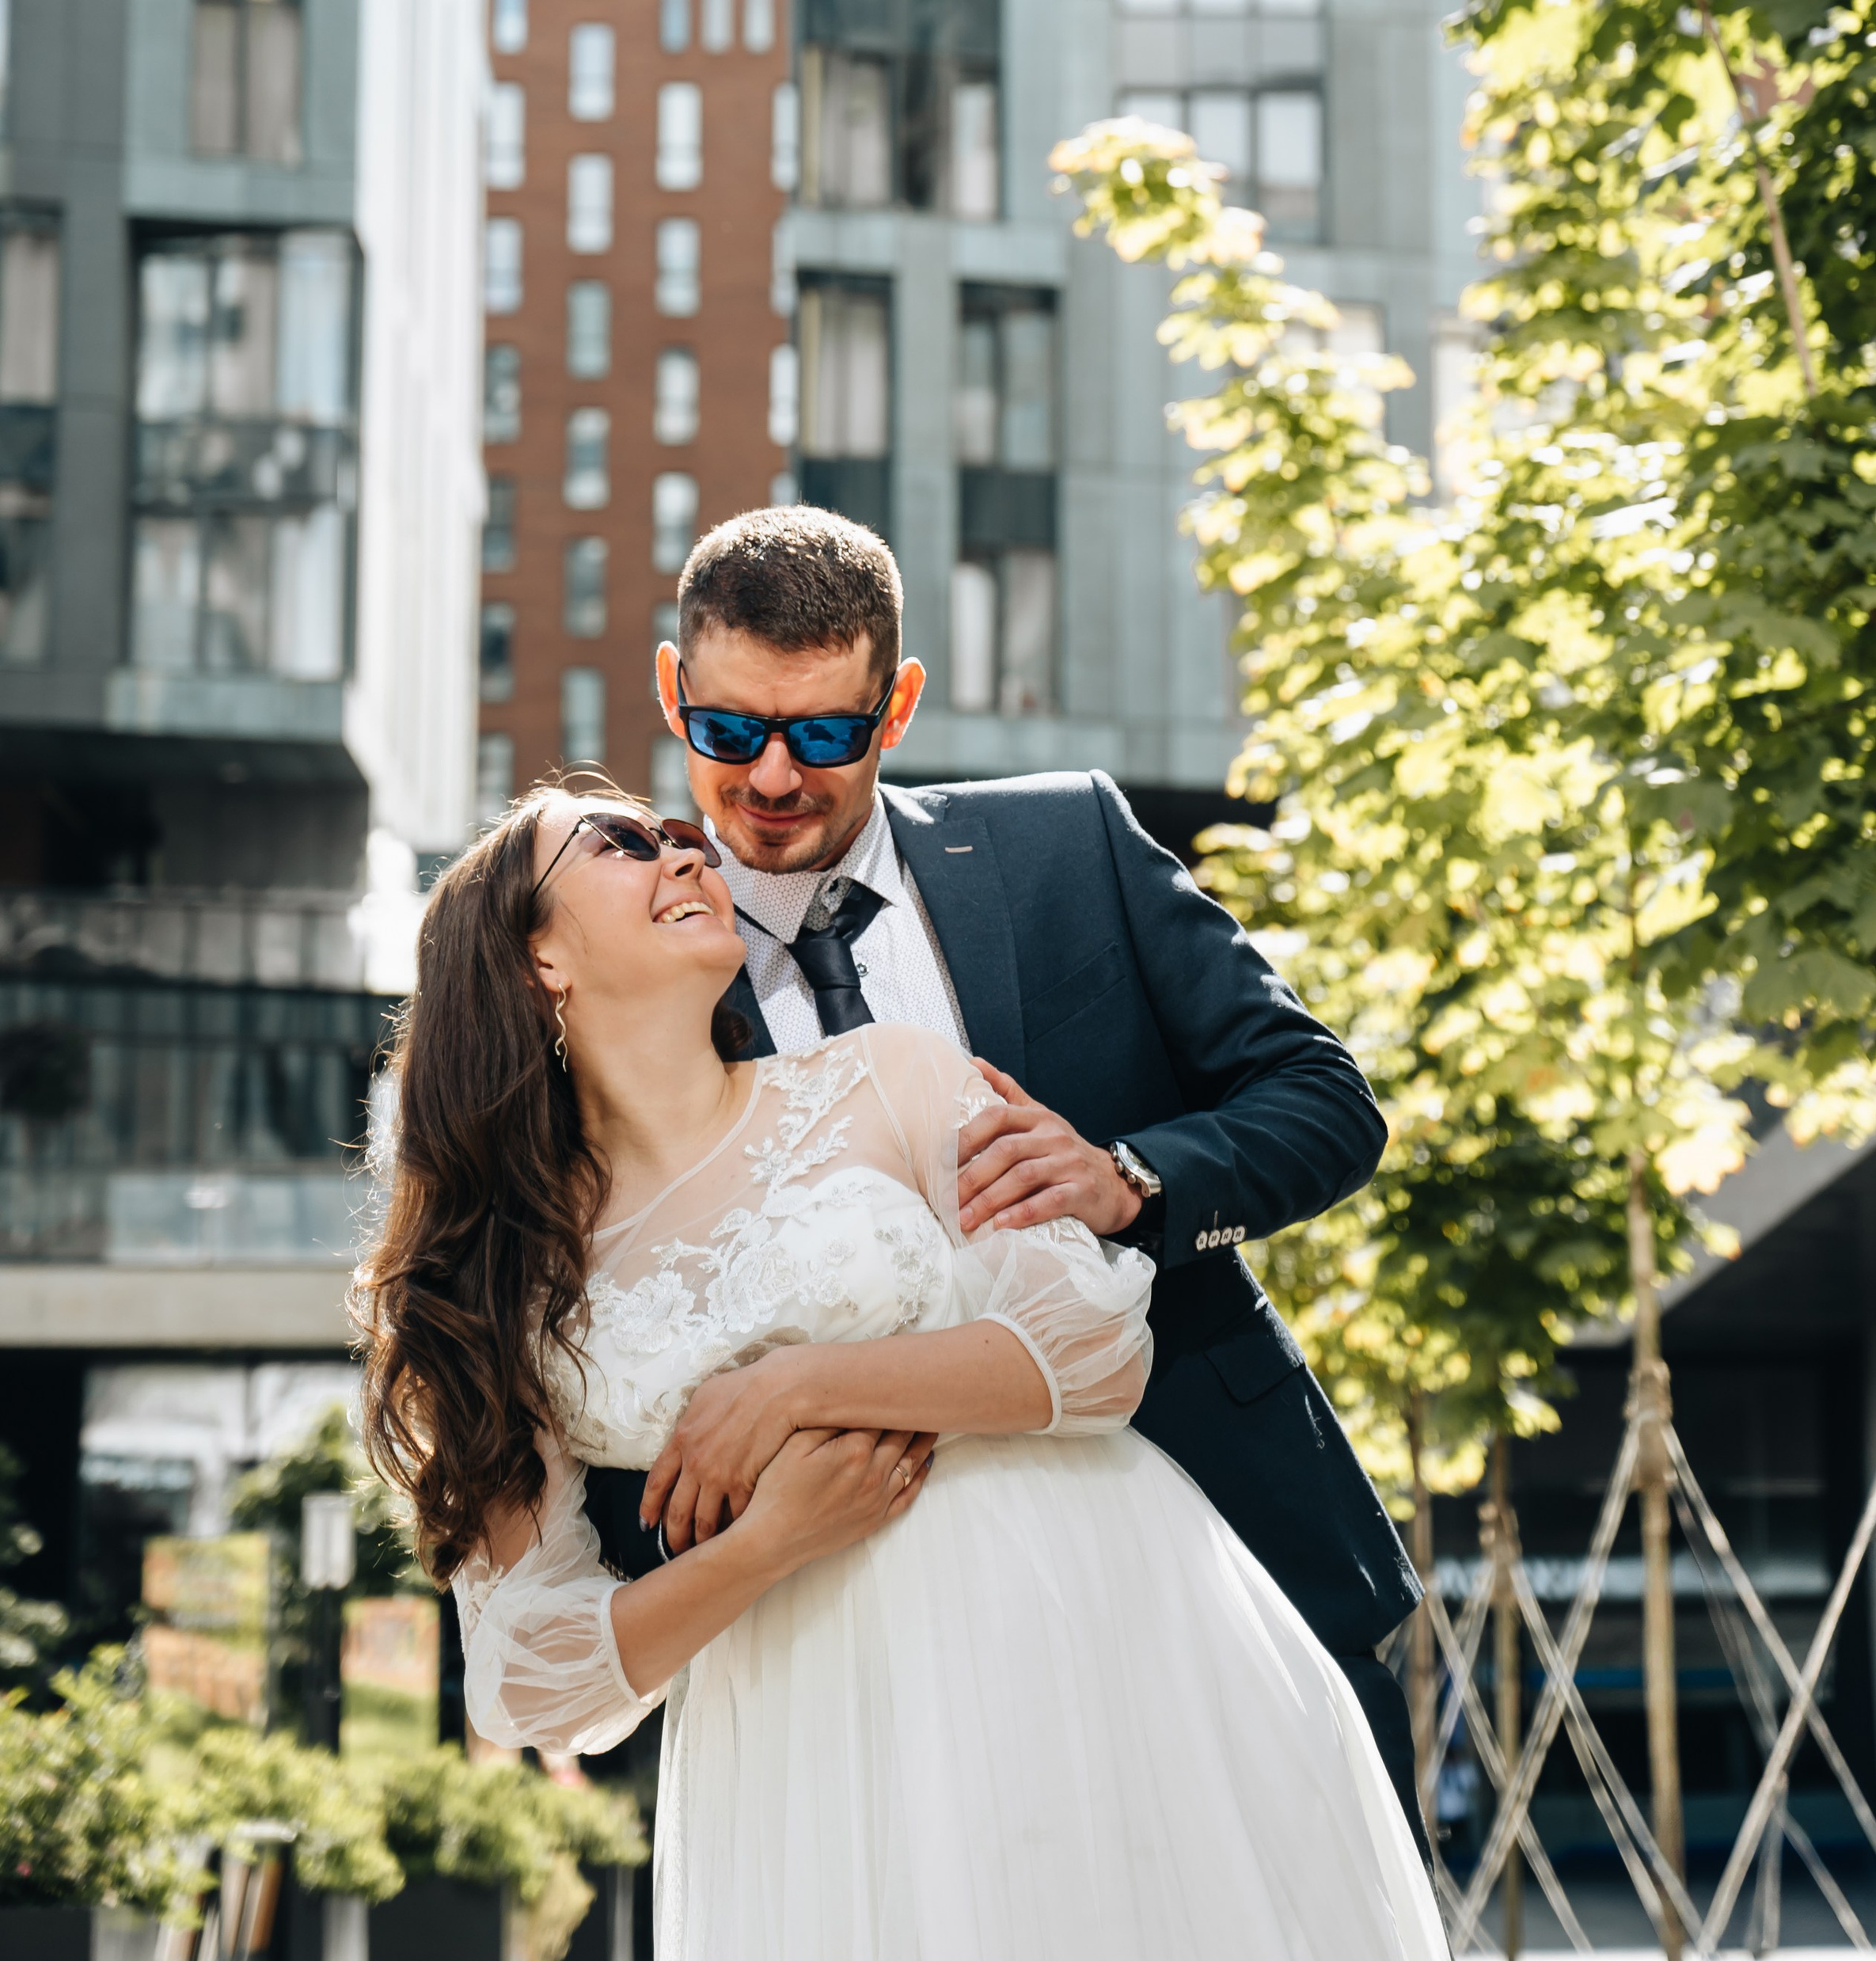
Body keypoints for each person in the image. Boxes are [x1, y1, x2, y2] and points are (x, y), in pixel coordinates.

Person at [355, 777, 1445, 1961]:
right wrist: (765, 1543)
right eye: (622, 844)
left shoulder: (893, 1076)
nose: (685, 853)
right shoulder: (502, 1283)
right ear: (538, 961)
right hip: (807, 1740)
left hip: (1082, 1623)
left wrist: (791, 1389)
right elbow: (534, 1674)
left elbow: (1091, 1347)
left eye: (680, 839)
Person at [618, 504, 1425, 1828]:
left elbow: (1329, 1102)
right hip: (861, 1665)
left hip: (1218, 1551)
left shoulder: (1070, 847)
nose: (770, 778)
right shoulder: (631, 960)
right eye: (727, 730)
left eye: (823, 734)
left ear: (899, 705)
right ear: (672, 687)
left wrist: (1133, 1180)